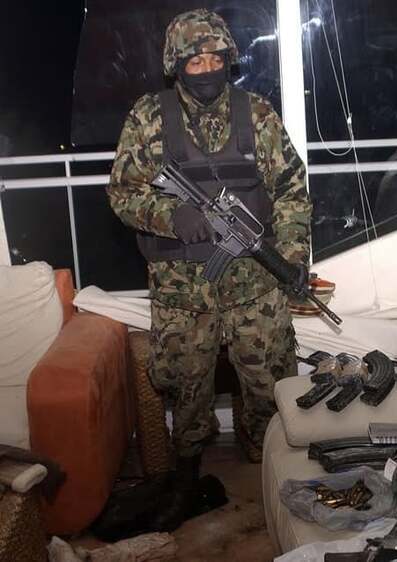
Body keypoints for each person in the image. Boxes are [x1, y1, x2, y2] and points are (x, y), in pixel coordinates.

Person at [106, 8, 311, 531]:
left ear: (228, 59)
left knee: (270, 384)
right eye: (195, 61)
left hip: (255, 288)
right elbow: (122, 194)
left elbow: (291, 190)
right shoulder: (148, 118)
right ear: (176, 65)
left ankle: (269, 469)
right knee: (185, 389)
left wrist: (292, 258)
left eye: (215, 58)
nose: (206, 68)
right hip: (182, 293)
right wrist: (171, 215)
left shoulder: (257, 114)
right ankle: (185, 477)